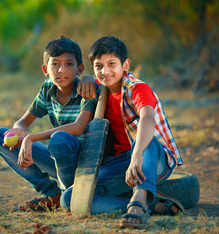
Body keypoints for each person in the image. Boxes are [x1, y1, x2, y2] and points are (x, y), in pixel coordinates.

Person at [61, 36, 184, 228]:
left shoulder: (138, 89)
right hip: (121, 162)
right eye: (99, 66)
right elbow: (91, 80)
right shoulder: (101, 91)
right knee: (70, 198)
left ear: (125, 65)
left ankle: (140, 201)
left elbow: (148, 119)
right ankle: (154, 207)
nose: (105, 71)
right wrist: (86, 78)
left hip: (153, 156)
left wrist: (137, 155)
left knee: (146, 142)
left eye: (111, 64)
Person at [0, 36, 98, 211]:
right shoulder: (47, 89)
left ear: (79, 69)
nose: (61, 70)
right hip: (58, 160)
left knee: (60, 139)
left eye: (68, 64)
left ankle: (69, 193)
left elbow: (78, 128)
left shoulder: (86, 89)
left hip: (82, 163)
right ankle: (52, 193)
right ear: (45, 69)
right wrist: (19, 132)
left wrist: (31, 138)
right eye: (55, 64)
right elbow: (23, 121)